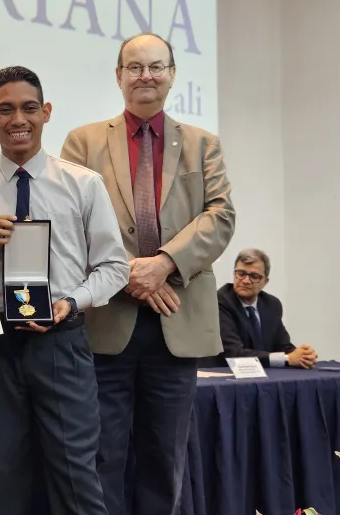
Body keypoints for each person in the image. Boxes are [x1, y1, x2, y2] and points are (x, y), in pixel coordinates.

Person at [60, 33, 236, 515]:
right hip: (105, 325)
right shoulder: (83, 141)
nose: (146, 76)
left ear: (173, 75)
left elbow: (220, 216)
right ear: (118, 77)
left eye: (156, 67)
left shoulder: (203, 145)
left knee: (164, 459)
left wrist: (163, 265)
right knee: (101, 457)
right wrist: (128, 275)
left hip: (177, 323)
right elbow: (69, 221)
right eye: (135, 67)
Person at [0, 66, 129, 515]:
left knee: (76, 481)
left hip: (62, 342)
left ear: (46, 112)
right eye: (6, 109)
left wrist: (71, 302)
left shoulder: (83, 184)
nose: (18, 119)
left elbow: (114, 267)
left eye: (29, 108)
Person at [216, 248, 317, 368]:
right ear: (234, 274)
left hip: (264, 378)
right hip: (225, 377)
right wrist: (287, 358)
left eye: (254, 276)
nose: (246, 281)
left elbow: (282, 345)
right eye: (241, 274)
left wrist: (303, 356)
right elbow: (235, 354)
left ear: (265, 281)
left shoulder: (272, 305)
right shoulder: (219, 302)